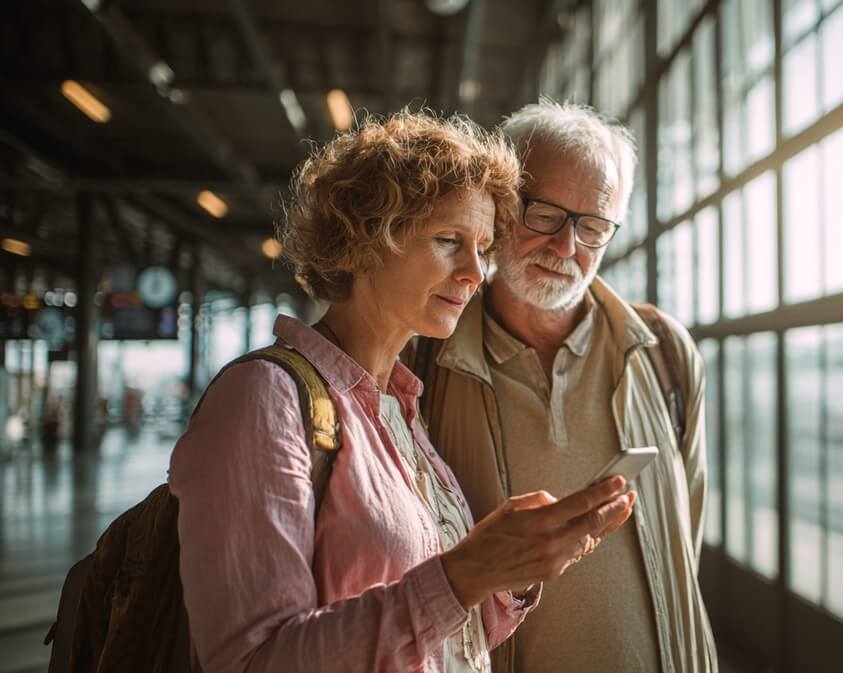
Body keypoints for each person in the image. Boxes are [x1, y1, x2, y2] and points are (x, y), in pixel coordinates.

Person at [168, 111, 637, 673]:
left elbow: (441, 637)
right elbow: (252, 661)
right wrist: (466, 574)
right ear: (367, 238)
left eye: (483, 248)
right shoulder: (263, 401)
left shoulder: (398, 407)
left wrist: (510, 569)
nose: (474, 272)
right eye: (448, 241)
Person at [404, 100, 718, 673]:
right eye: (544, 214)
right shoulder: (421, 364)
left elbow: (685, 540)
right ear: (500, 207)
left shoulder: (665, 354)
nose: (567, 247)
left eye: (593, 226)